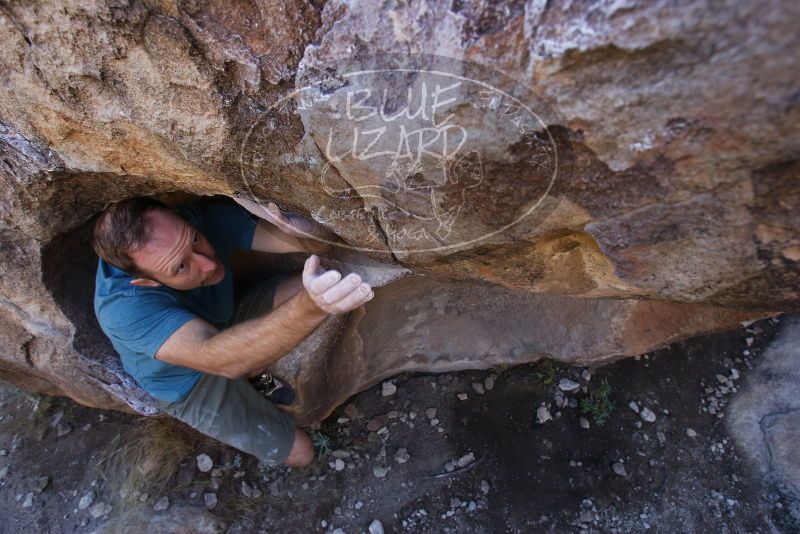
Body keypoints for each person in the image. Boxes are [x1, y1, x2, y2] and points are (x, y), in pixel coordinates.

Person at [92, 195, 373, 468]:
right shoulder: (122, 309)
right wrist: (313, 307)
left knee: (326, 281)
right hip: (187, 383)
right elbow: (217, 358)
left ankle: (254, 373)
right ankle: (250, 374)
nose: (208, 264)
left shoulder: (195, 221)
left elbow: (308, 241)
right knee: (302, 453)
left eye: (195, 240)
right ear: (147, 283)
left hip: (221, 325)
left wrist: (302, 230)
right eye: (181, 267)